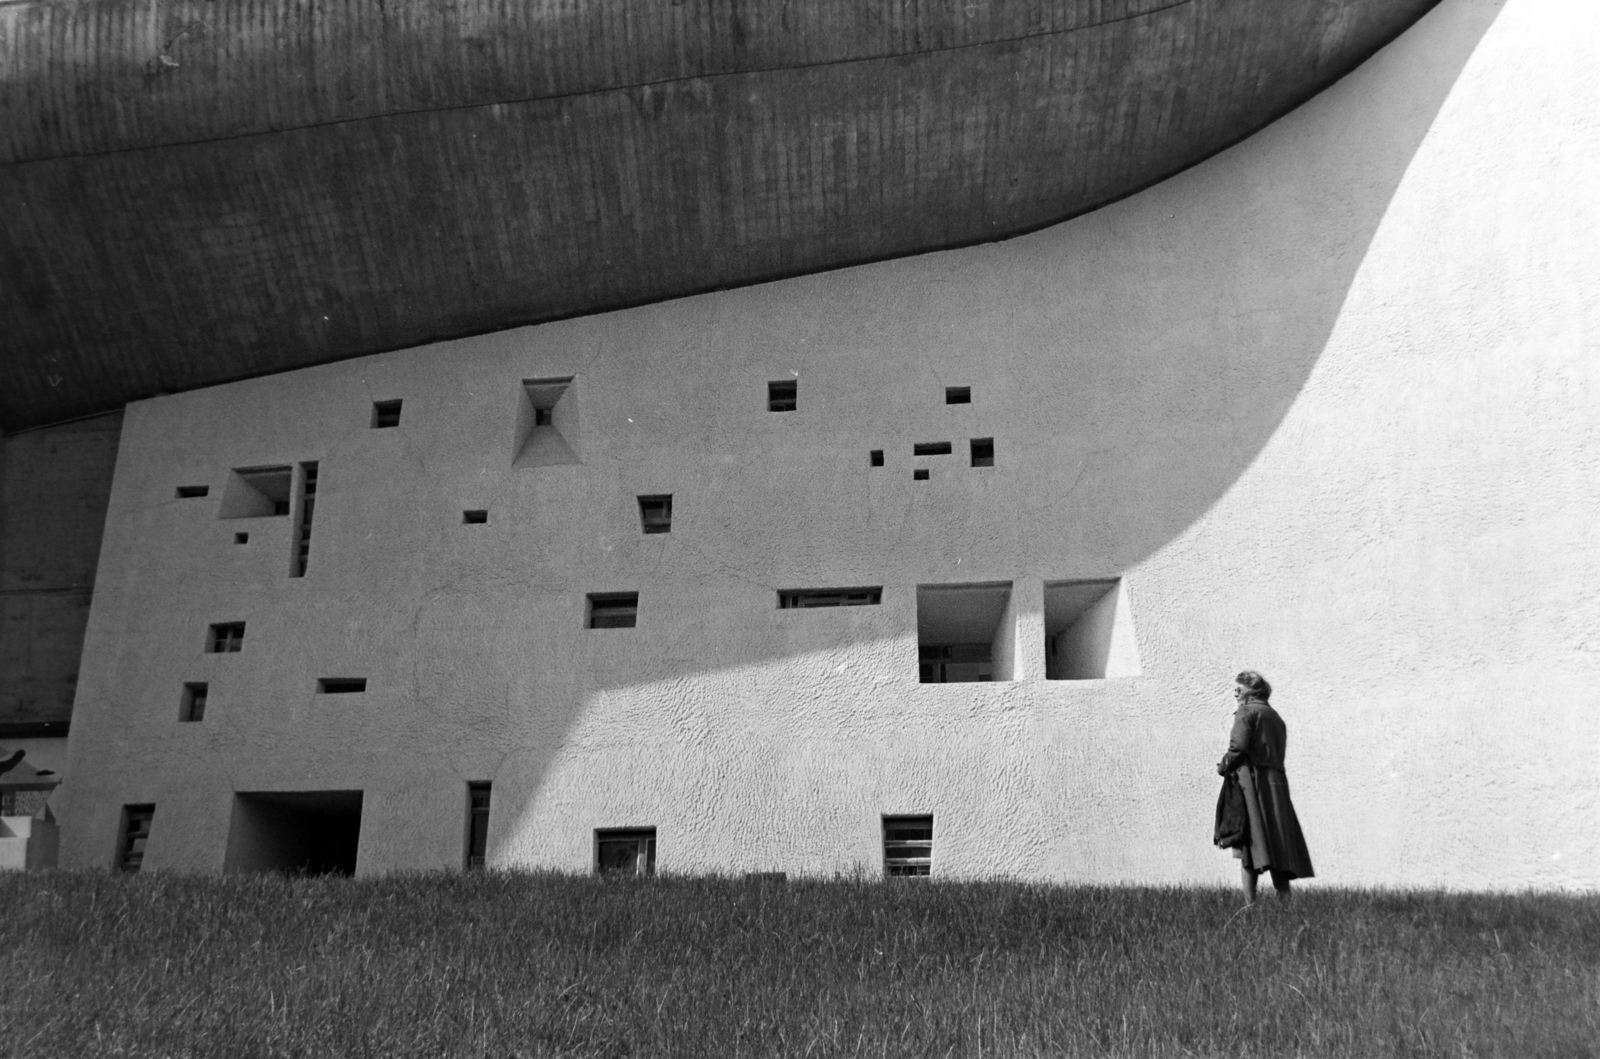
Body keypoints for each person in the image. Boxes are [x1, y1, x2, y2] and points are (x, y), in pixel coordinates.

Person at [1216, 671, 1314, 903]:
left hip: (1254, 782)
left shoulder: (1246, 712)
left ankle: (1249, 908)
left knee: (1250, 842)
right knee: (1278, 843)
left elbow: (1238, 748)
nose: (1235, 693)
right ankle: (1285, 905)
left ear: (1252, 691)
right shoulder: (1275, 717)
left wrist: (1223, 765)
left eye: (1239, 689)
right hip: (1277, 784)